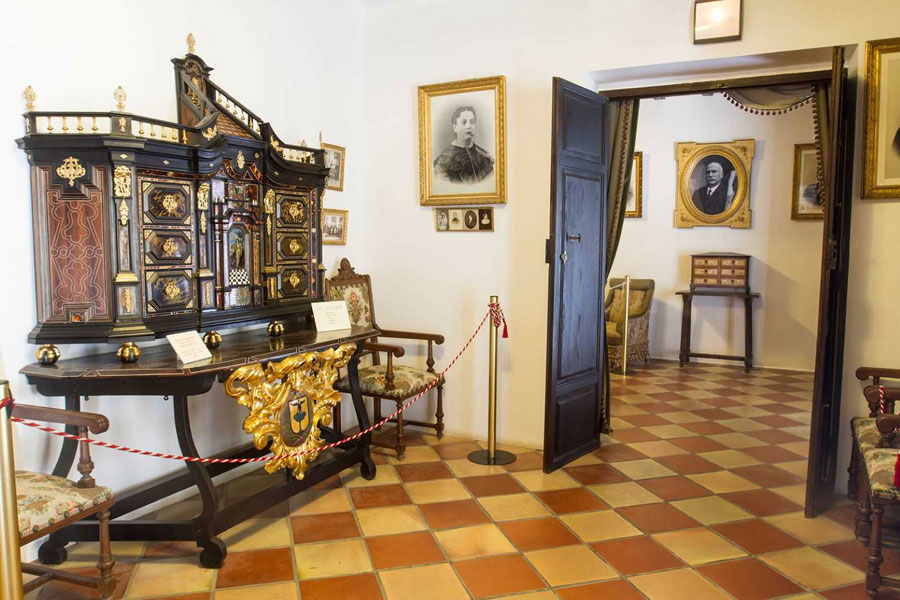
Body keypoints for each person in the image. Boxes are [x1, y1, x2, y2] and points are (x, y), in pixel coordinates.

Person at [433, 106, 494, 183]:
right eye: (464, 122)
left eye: (472, 122)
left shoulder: (484, 157)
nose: (469, 126)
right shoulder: (443, 161)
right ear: (455, 127)